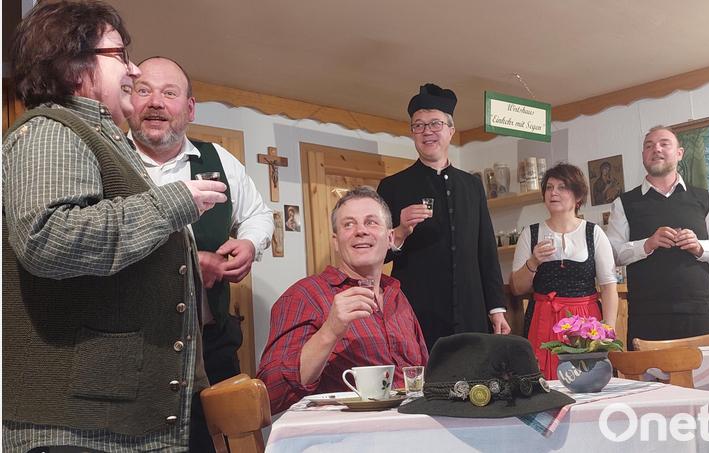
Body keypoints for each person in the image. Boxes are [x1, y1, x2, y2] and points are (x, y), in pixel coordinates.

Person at [2, 2, 227, 452]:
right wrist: (175, 201)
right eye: (120, 54)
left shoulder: (99, 137)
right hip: (80, 427)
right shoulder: (51, 129)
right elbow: (48, 237)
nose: (134, 68)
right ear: (74, 62)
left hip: (113, 417)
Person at [128, 56, 273, 452]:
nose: (155, 103)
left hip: (212, 348)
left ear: (189, 108)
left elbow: (259, 215)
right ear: (128, 101)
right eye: (144, 91)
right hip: (136, 350)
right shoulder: (111, 161)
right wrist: (193, 264)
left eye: (169, 93)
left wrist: (249, 244)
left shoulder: (219, 160)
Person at [258, 187, 429, 412]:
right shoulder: (304, 296)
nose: (360, 231)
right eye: (349, 224)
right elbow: (269, 395)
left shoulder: (397, 296)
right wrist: (330, 331)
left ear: (389, 238)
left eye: (371, 222)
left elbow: (424, 374)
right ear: (336, 242)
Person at [377, 83, 510, 349]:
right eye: (418, 126)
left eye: (435, 124)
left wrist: (497, 309)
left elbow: (486, 251)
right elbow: (378, 255)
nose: (427, 132)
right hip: (417, 311)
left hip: (471, 310)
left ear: (450, 130)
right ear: (412, 133)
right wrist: (400, 231)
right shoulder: (392, 187)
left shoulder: (472, 186)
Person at [607, 126, 709, 348]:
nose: (655, 149)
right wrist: (646, 245)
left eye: (664, 143)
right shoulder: (624, 203)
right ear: (642, 156)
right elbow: (611, 253)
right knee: (649, 382)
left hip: (697, 313)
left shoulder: (704, 197)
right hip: (646, 316)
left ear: (679, 153)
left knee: (703, 381)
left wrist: (699, 247)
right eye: (648, 146)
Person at [510, 163, 618, 379]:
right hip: (543, 317)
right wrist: (533, 261)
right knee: (543, 385)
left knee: (588, 382)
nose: (554, 192)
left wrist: (608, 331)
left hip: (586, 320)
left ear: (578, 196)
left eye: (562, 187)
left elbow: (608, 287)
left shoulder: (593, 233)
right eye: (549, 187)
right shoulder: (530, 234)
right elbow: (517, 288)